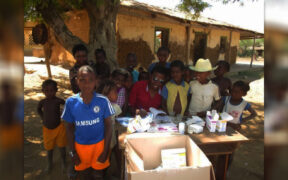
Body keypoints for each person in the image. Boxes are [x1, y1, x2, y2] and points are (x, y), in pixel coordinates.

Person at [62, 66, 114, 179]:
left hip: (99, 146)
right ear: (77, 81)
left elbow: (109, 126)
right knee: (84, 174)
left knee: (98, 174)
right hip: (80, 147)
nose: (87, 84)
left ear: (96, 82)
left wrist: (105, 150)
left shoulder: (103, 101)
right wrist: (73, 152)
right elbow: (69, 128)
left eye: (90, 80)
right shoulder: (71, 102)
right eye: (82, 80)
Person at [37, 79, 66, 173]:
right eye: (46, 90)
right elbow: (38, 109)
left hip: (59, 128)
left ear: (56, 90)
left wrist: (64, 113)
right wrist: (43, 117)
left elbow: (67, 105)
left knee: (62, 147)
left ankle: (64, 162)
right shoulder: (42, 102)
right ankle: (50, 163)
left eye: (52, 90)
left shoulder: (58, 101)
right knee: (49, 149)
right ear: (43, 91)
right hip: (47, 130)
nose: (49, 93)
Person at [97, 80, 122, 177]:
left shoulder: (96, 106)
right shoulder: (115, 107)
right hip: (109, 141)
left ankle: (102, 174)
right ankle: (103, 174)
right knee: (105, 159)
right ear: (107, 95)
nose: (117, 94)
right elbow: (118, 122)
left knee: (102, 161)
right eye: (115, 92)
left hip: (100, 141)